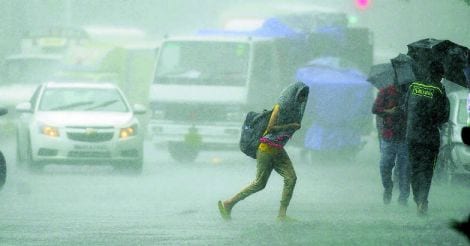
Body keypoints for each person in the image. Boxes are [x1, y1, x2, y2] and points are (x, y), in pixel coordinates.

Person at [218, 82, 309, 221]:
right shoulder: (280, 107)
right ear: (293, 95)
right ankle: (228, 203)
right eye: (300, 95)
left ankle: (282, 215)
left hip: (278, 149)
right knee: (260, 183)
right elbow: (271, 127)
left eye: (304, 96)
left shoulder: (294, 112)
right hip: (266, 148)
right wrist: (291, 125)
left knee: (291, 178)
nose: (302, 99)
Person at [405, 61, 450, 216]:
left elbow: (405, 108)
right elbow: (443, 117)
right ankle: (423, 200)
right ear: (439, 74)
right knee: (427, 170)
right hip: (429, 139)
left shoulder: (413, 86)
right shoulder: (438, 89)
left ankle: (418, 199)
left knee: (415, 169)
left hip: (412, 136)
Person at [372, 83, 410, 206]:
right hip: (388, 136)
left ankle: (403, 198)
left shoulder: (411, 92)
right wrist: (389, 111)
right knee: (384, 166)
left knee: (405, 170)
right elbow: (375, 109)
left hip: (406, 138)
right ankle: (388, 187)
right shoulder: (386, 91)